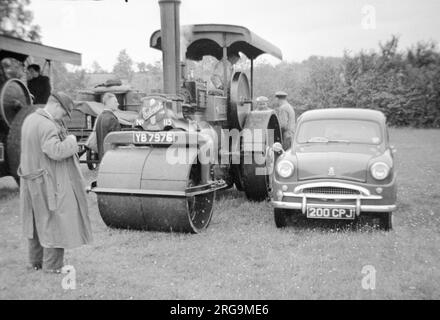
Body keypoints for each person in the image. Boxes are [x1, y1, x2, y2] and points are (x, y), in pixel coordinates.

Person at [18, 92, 93, 273]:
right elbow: (55, 151)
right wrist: (71, 141)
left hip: (31, 181)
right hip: (47, 181)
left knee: (36, 222)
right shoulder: (47, 125)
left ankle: (34, 262)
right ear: (56, 106)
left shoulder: (30, 119)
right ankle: (52, 267)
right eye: (64, 113)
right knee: (55, 222)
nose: (64, 117)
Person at [95, 92, 121, 160]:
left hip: (102, 157)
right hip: (111, 158)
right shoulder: (112, 118)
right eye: (115, 102)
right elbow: (117, 141)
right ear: (109, 103)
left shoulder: (100, 117)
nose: (118, 104)